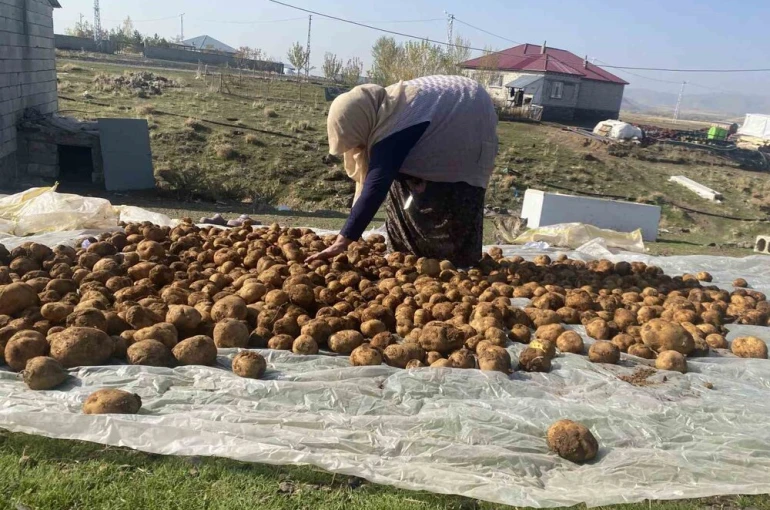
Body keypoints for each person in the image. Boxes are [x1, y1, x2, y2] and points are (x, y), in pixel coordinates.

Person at [307, 75, 498, 267]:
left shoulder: (395, 124)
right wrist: (351, 227)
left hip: (468, 115)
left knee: (444, 201)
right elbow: (369, 181)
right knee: (402, 184)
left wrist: (343, 241)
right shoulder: (381, 108)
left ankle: (451, 263)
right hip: (451, 108)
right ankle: (409, 257)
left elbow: (375, 187)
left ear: (359, 121)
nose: (357, 148)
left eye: (355, 140)